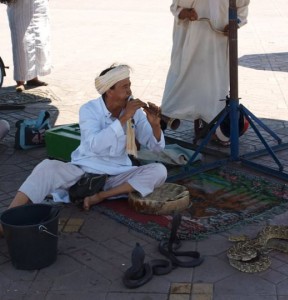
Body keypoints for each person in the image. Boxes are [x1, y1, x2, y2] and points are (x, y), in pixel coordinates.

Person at [0, 64, 167, 236]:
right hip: (82, 172)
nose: (130, 92)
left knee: (159, 171)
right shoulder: (89, 110)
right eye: (125, 87)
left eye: (130, 86)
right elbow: (95, 145)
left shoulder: (135, 113)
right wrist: (124, 119)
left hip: (115, 175)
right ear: (109, 91)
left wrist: (155, 126)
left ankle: (100, 196)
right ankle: (8, 219)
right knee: (46, 167)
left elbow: (157, 148)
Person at [160, 0, 250, 143]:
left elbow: (242, 8)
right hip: (190, 41)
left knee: (213, 84)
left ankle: (210, 123)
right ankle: (164, 118)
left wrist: (235, 23)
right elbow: (176, 7)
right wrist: (183, 13)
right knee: (181, 79)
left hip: (218, 41)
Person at [1, 0, 51, 92]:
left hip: (39, 4)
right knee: (21, 43)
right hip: (20, 5)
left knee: (40, 40)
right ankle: (20, 81)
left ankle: (33, 78)